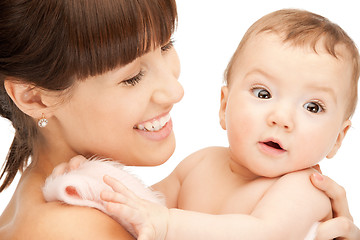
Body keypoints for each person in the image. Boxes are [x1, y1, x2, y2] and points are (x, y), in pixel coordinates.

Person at [0, 0, 357, 239]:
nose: (175, 91)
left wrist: (97, 183)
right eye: (132, 76)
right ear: (34, 97)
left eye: (166, 45)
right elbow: (152, 209)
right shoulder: (79, 229)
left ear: (340, 137)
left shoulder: (303, 188)